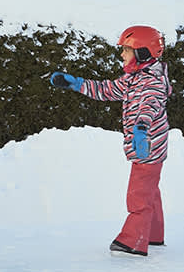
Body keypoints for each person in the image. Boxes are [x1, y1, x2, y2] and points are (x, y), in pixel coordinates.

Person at [51, 26, 172, 256]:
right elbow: (106, 90)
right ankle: (153, 235)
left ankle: (133, 240)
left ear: (143, 53)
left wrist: (141, 129)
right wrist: (76, 84)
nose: (122, 55)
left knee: (139, 193)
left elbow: (150, 106)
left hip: (148, 145)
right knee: (149, 190)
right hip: (145, 142)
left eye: (126, 50)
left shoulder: (152, 82)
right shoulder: (133, 78)